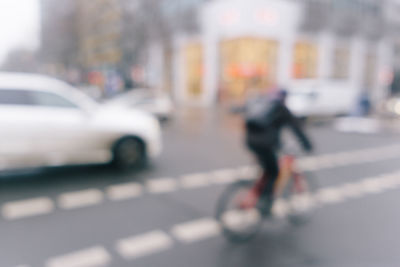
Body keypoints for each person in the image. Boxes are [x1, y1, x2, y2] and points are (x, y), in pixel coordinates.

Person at [244, 89, 313, 214]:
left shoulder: (263, 105)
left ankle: (261, 192)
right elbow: (296, 129)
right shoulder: (281, 109)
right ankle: (265, 203)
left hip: (251, 141)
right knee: (274, 172)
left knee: (267, 168)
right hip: (266, 144)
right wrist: (307, 145)